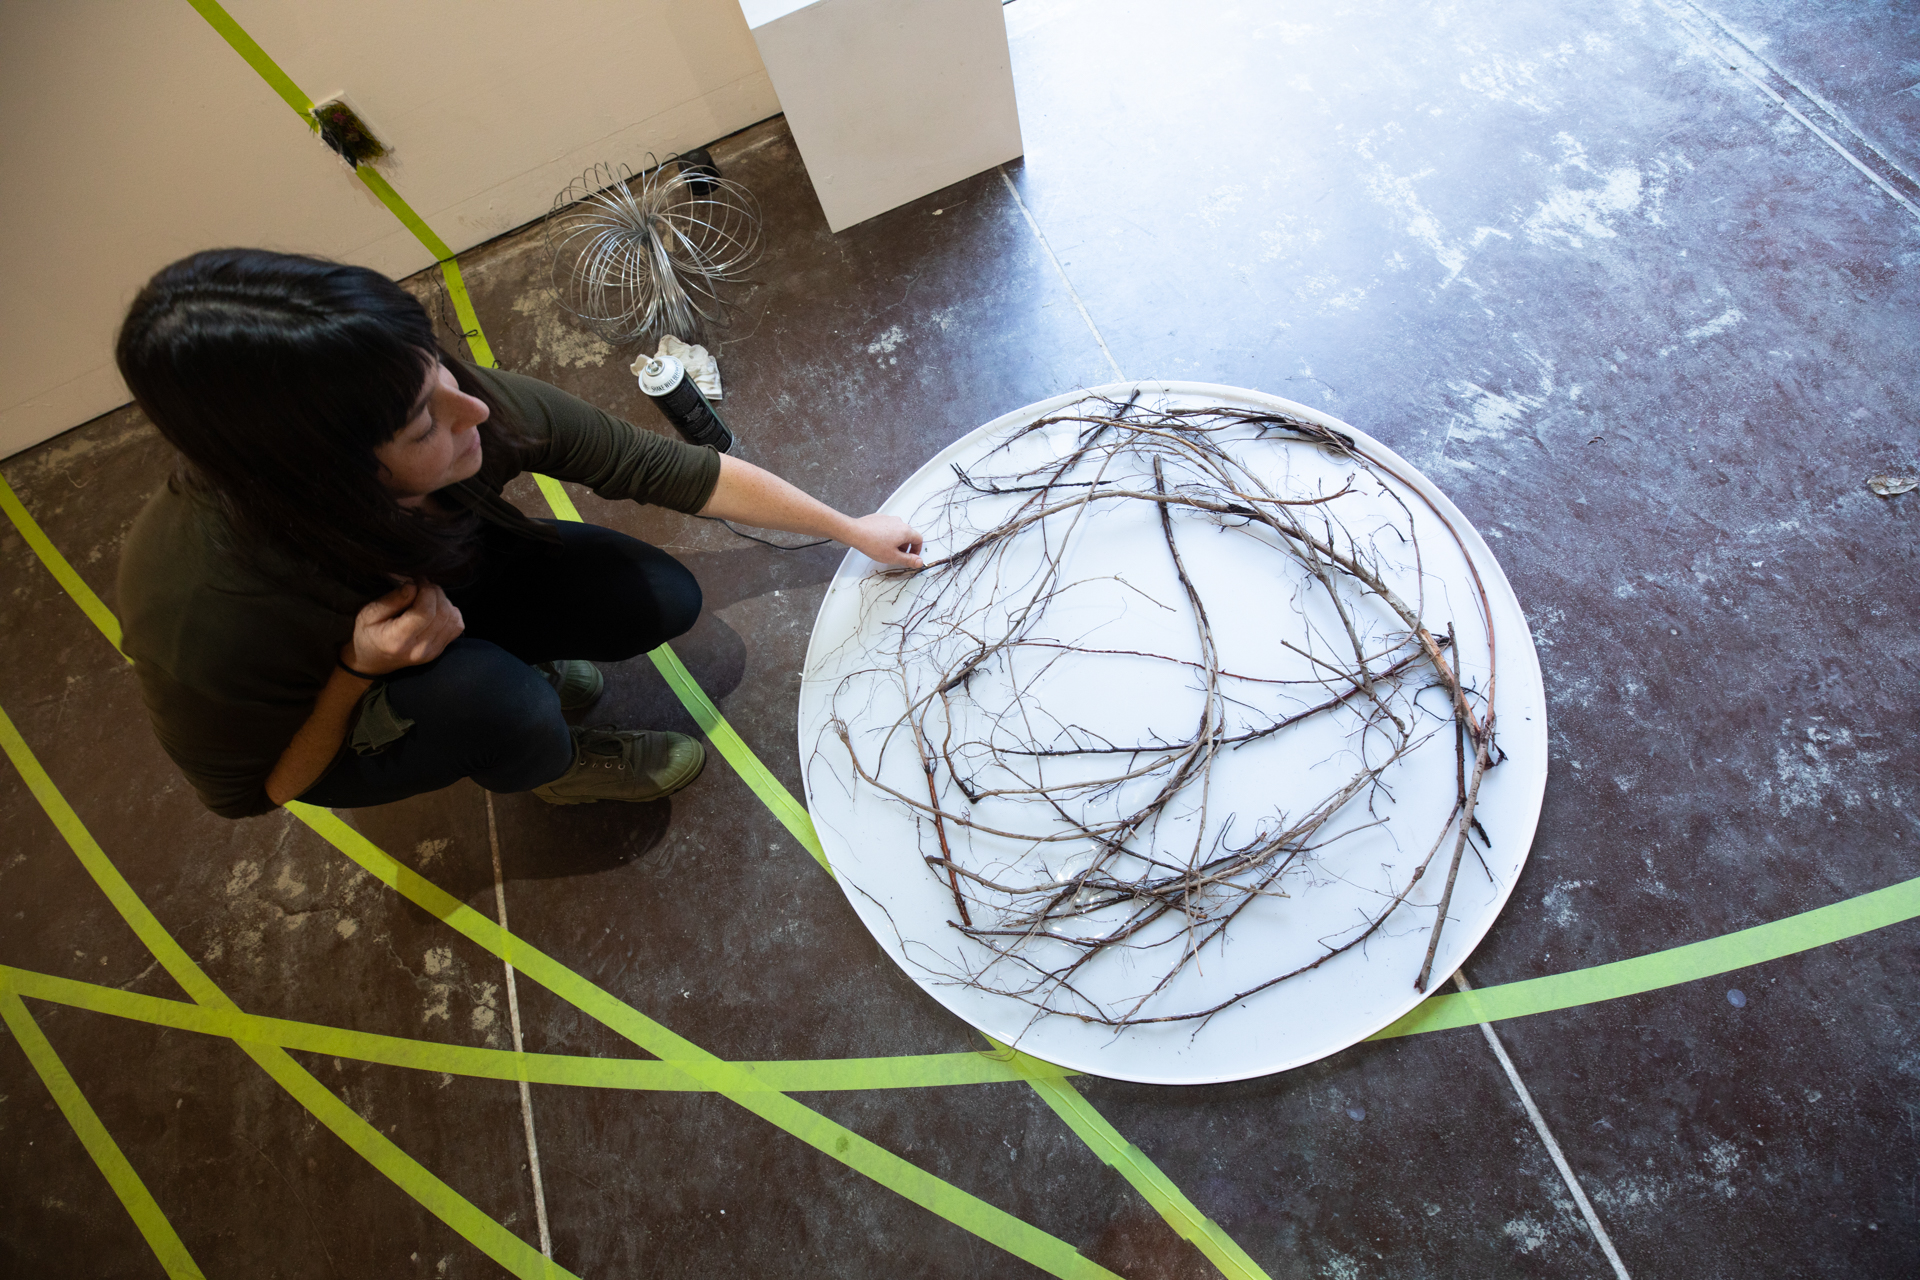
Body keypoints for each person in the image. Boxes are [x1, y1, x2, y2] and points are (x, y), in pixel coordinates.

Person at [114, 248, 923, 820]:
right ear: (332, 476)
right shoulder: (208, 601)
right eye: (423, 424)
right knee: (498, 703)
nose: (472, 410)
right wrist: (357, 673)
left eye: (435, 367)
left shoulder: (442, 396)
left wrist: (850, 530)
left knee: (653, 596)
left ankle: (507, 665)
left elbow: (671, 471)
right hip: (348, 697)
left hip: (423, 592)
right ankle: (554, 768)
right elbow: (259, 792)